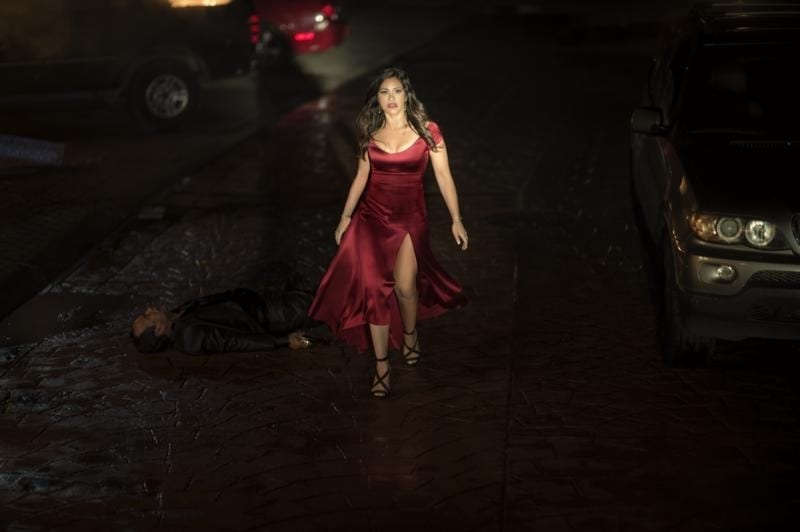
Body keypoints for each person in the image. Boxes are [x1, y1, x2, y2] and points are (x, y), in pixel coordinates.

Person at [308, 67, 468, 399]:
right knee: (374, 289)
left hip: (410, 219)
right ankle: (382, 365)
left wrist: (456, 218)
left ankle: (410, 333)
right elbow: (361, 177)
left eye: (397, 91)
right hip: (371, 218)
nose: (391, 98)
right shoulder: (370, 131)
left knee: (406, 288)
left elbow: (444, 176)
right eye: (384, 92)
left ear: (407, 95)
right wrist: (345, 216)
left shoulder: (428, 130)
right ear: (377, 99)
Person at [130, 287, 322, 355]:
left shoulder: (177, 314)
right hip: (275, 313)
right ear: (159, 329)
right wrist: (284, 341)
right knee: (329, 301)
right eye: (147, 317)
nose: (149, 310)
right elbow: (233, 341)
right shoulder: (189, 336)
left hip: (266, 301)